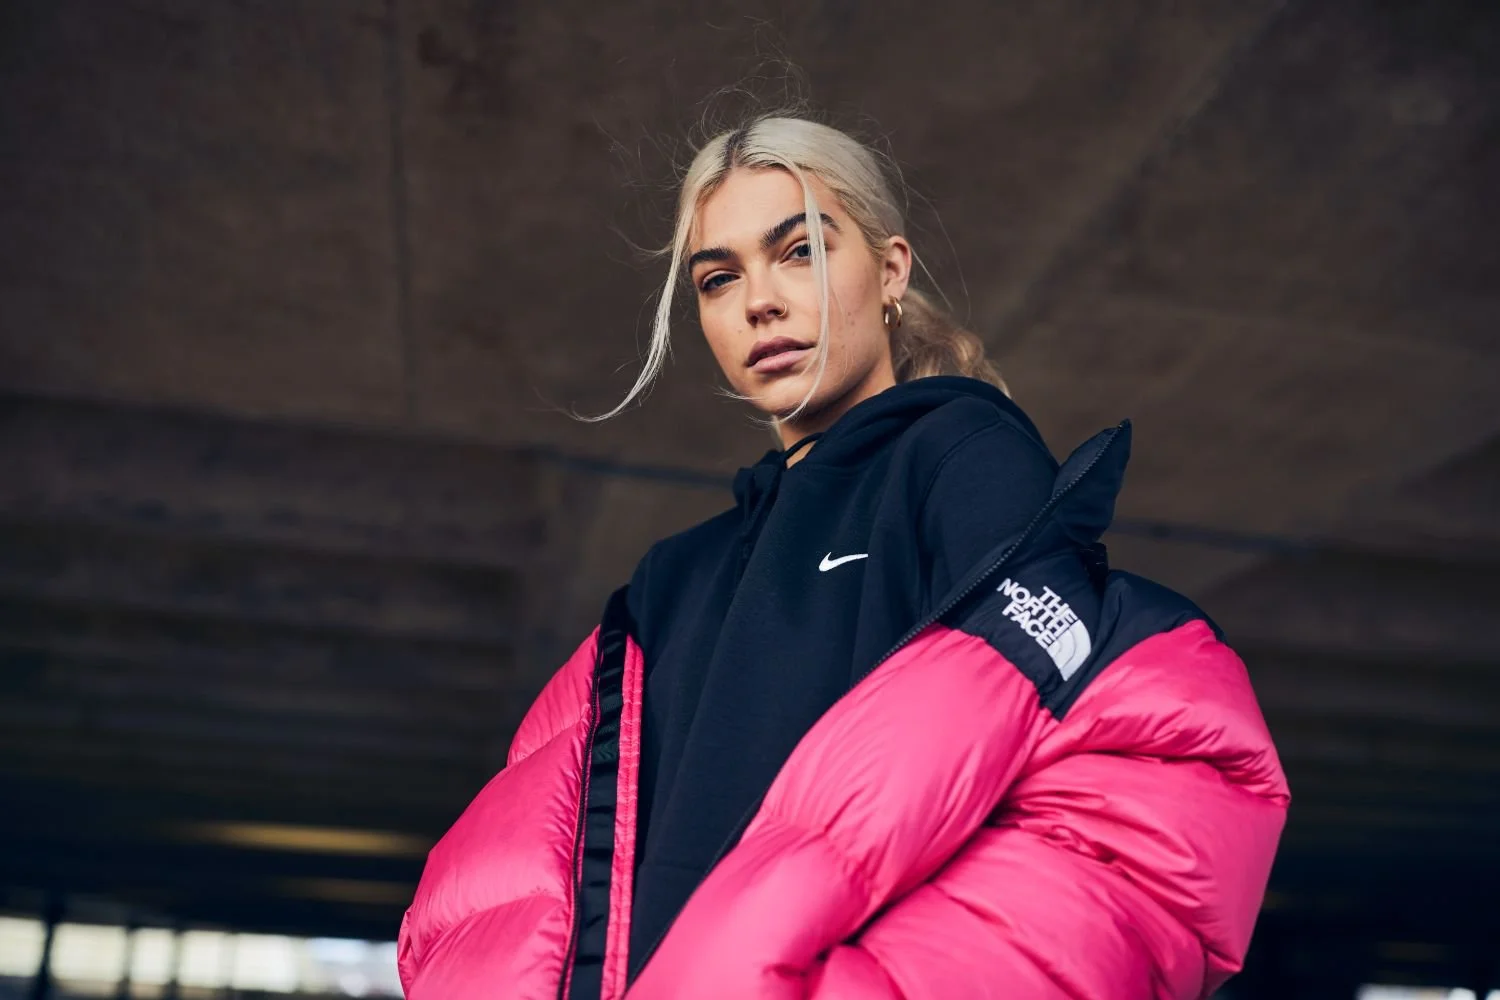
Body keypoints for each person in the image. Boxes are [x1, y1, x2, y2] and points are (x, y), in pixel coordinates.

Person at [396, 113, 1289, 1000]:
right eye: (718, 278)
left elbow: (1066, 786)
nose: (760, 301)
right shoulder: (674, 579)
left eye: (800, 251)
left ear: (890, 268)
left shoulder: (958, 459)